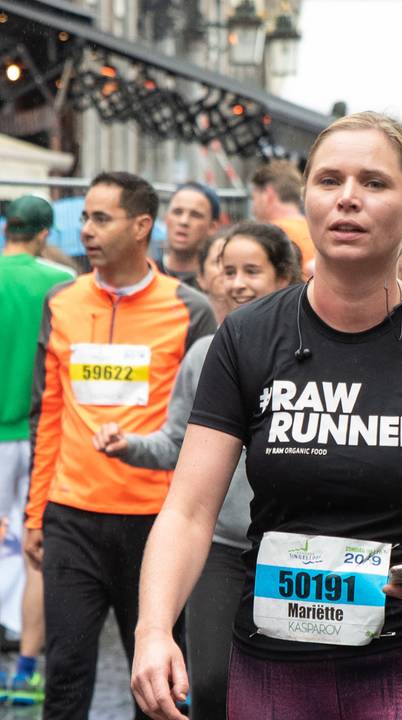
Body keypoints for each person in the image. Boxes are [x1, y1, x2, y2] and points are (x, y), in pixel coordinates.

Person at [129, 112, 402, 720]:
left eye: (374, 183)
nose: (348, 198)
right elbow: (188, 510)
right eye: (329, 180)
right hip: (275, 666)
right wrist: (153, 629)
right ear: (307, 199)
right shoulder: (247, 338)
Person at [24, 173, 216, 719]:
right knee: (65, 675)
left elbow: (198, 429)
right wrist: (36, 513)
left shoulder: (189, 309)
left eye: (101, 218)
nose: (86, 229)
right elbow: (48, 414)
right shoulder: (61, 301)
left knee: (156, 683)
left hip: (155, 522)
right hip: (72, 516)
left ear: (141, 226)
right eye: (85, 217)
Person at [93, 223, 301, 720]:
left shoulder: (309, 354)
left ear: (283, 277)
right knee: (210, 684)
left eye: (252, 271)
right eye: (228, 271)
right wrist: (129, 446)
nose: (237, 283)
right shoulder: (206, 354)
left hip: (297, 549)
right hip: (222, 548)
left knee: (290, 687)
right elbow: (175, 443)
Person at [0, 195, 74, 708]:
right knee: (35, 549)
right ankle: (26, 670)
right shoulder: (61, 283)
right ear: (45, 233)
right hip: (40, 432)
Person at [250, 160, 316, 277]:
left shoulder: (268, 235)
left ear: (268, 194)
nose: (253, 207)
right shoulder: (315, 230)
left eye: (253, 198)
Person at [155, 183, 220, 285]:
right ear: (166, 219)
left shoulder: (218, 284)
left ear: (212, 227)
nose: (183, 221)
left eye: (195, 215)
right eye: (177, 212)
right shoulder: (146, 276)